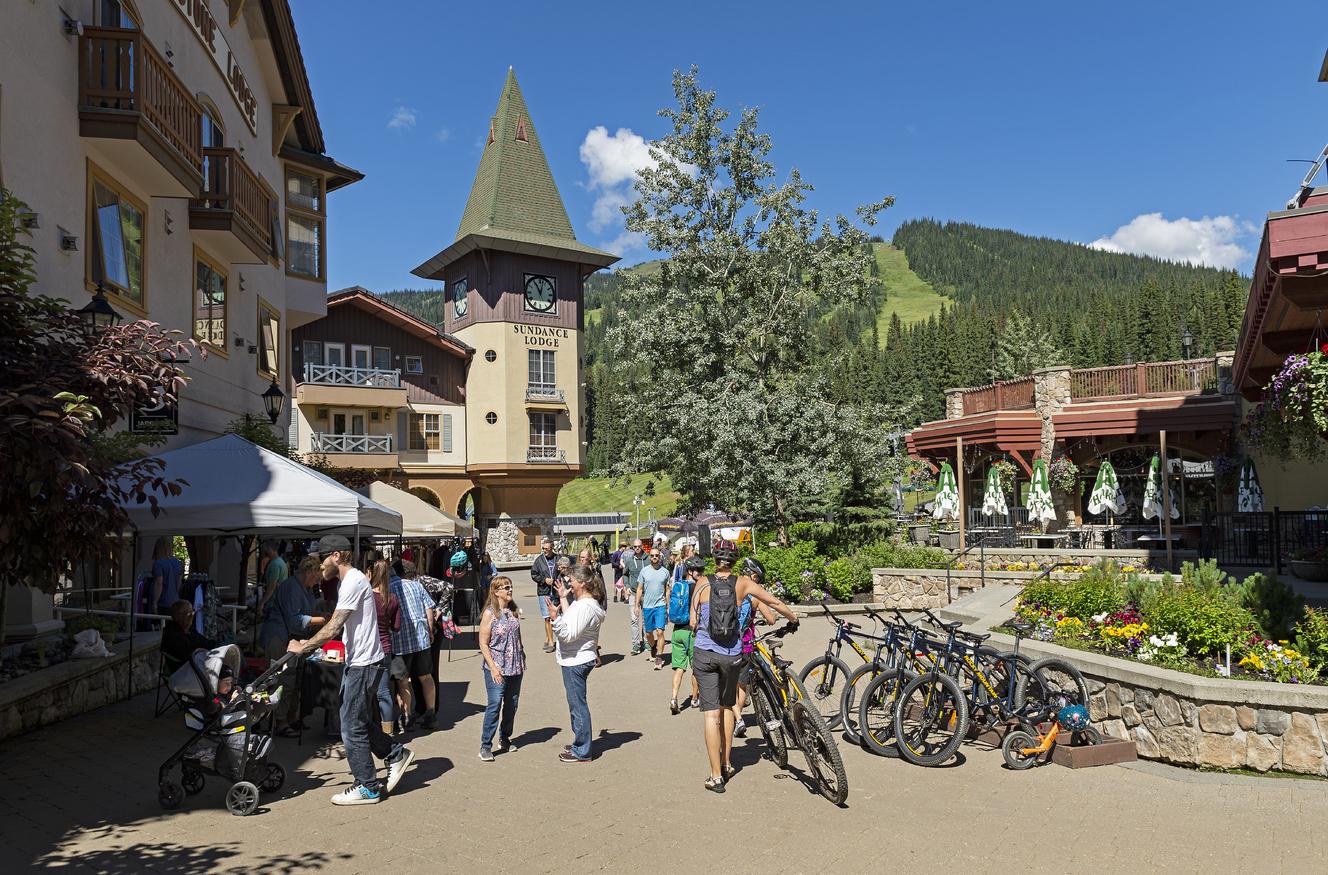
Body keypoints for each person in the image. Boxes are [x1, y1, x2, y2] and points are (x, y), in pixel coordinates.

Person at [289, 536, 415, 806]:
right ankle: (394, 753)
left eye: (321, 558)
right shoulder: (350, 581)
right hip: (360, 662)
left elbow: (335, 626)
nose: (319, 565)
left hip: (364, 664)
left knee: (349, 726)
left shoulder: (354, 581)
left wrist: (305, 646)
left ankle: (367, 785)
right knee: (354, 717)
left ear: (335, 556)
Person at [690, 542, 798, 793]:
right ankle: (727, 763)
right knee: (727, 707)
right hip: (732, 655)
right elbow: (776, 603)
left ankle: (716, 776)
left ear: (714, 559)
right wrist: (794, 618)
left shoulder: (702, 583)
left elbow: (693, 619)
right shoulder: (744, 584)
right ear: (735, 561)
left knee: (711, 714)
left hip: (705, 654)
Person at [548, 565, 605, 762]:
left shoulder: (584, 606)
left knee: (578, 706)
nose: (568, 582)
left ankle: (582, 750)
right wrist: (563, 598)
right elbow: (572, 621)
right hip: (580, 657)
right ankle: (581, 741)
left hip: (576, 660)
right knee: (576, 704)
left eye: (570, 580)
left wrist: (554, 619)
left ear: (582, 583)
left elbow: (569, 634)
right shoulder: (584, 604)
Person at [477, 575, 525, 761]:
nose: (510, 590)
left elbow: (516, 636)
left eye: (510, 586)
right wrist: (493, 667)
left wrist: (522, 653)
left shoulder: (513, 611)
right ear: (496, 591)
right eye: (506, 587)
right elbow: (483, 643)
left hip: (515, 666)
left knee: (512, 704)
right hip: (496, 667)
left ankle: (505, 738)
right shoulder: (490, 613)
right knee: (495, 704)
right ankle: (485, 745)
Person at [390, 560, 438, 732]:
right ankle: (430, 714)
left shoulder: (389, 588)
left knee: (403, 682)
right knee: (426, 677)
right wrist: (430, 630)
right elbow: (429, 609)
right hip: (421, 639)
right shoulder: (417, 586)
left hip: (399, 641)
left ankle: (407, 717)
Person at [259, 556, 326, 659]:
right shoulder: (291, 587)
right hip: (277, 637)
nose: (318, 582)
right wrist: (322, 620)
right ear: (308, 573)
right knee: (278, 672)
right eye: (317, 579)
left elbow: (308, 611)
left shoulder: (307, 588)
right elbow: (295, 620)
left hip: (290, 637)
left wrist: (321, 615)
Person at [370, 561, 402, 737]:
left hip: (367, 649)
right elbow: (396, 627)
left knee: (366, 692)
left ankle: (367, 729)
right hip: (385, 647)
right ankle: (387, 733)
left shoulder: (367, 597)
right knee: (384, 693)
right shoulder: (392, 598)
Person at [669, 556, 704, 714]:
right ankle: (695, 699)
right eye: (699, 570)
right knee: (695, 669)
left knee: (678, 668)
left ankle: (674, 698)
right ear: (690, 571)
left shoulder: (678, 585)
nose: (701, 573)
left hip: (677, 631)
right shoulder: (697, 588)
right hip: (692, 632)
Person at [637, 549, 671, 669]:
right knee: (648, 633)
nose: (655, 557)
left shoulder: (665, 572)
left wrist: (668, 605)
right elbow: (640, 589)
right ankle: (653, 647)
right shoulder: (644, 571)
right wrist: (637, 605)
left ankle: (659, 657)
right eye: (652, 555)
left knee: (660, 632)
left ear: (660, 557)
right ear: (650, 557)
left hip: (660, 605)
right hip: (647, 606)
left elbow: (667, 590)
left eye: (657, 555)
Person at [530, 537, 561, 653]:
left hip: (557, 591)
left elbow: (564, 571)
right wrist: (544, 580)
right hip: (544, 592)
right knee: (547, 617)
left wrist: (557, 580)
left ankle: (559, 639)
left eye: (547, 549)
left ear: (552, 548)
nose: (545, 551)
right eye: (543, 549)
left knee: (557, 616)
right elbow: (534, 574)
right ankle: (550, 641)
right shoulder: (539, 561)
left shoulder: (558, 558)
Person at [161, 600, 209, 665]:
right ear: (177, 616)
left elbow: (203, 641)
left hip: (196, 665)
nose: (192, 617)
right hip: (185, 670)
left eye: (193, 613)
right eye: (189, 614)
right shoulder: (171, 633)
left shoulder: (190, 630)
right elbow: (186, 651)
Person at [621, 539, 647, 655]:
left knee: (646, 620)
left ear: (642, 547)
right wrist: (626, 586)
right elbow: (625, 574)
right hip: (633, 593)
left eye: (639, 546)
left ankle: (647, 642)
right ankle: (636, 644)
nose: (637, 548)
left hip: (647, 594)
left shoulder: (648, 559)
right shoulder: (629, 560)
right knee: (634, 619)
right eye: (635, 546)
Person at [150, 537, 184, 615]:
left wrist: (154, 602)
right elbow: (179, 584)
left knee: (160, 625)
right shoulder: (177, 563)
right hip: (175, 601)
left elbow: (159, 583)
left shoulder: (158, 564)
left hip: (163, 602)